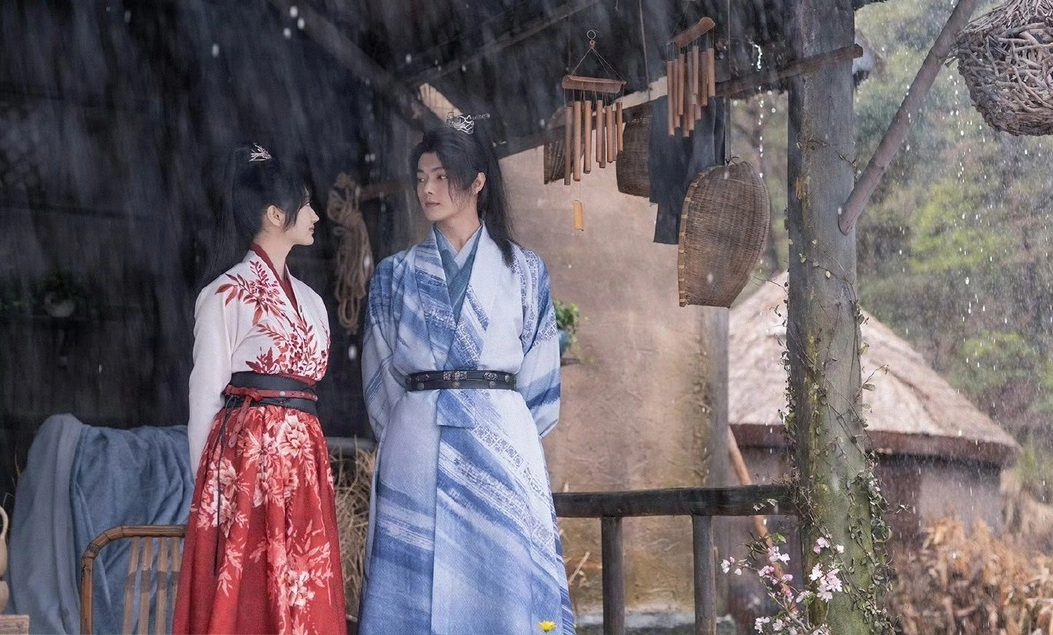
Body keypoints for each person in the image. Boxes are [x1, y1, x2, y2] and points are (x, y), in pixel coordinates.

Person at [358, 118, 575, 634]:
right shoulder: (394, 275)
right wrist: (414, 424)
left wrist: (502, 428)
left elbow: (541, 384)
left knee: (504, 593)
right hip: (416, 445)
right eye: (421, 177)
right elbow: (380, 377)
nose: (428, 190)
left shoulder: (526, 272)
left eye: (442, 176)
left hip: (501, 442)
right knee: (414, 592)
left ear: (478, 181)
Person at [173, 143, 347, 635]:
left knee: (304, 585)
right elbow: (205, 396)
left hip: (304, 457)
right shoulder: (224, 293)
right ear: (274, 214)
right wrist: (209, 493)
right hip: (246, 463)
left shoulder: (312, 301)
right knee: (251, 593)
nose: (315, 215)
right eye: (305, 204)